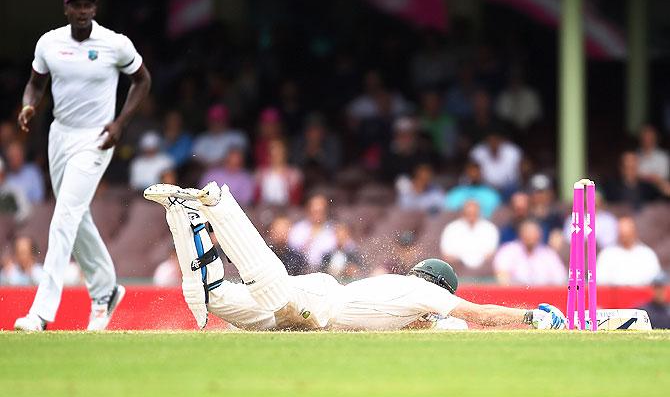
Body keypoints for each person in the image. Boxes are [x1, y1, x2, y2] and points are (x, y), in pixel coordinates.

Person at [142, 181, 567, 331]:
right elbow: (479, 315)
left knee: (215, 299)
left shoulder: (410, 302)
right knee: (267, 285)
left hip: (317, 302)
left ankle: (184, 216)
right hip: (318, 305)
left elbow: (436, 325)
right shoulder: (426, 295)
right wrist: (530, 317)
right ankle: (219, 206)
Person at [14, 0, 151, 331]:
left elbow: (142, 80)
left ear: (95, 8)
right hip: (60, 135)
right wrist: (29, 105)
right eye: (76, 5)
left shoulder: (114, 44)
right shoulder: (49, 43)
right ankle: (106, 290)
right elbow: (35, 83)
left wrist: (120, 123)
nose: (82, 10)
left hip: (96, 138)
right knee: (73, 216)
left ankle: (41, 313)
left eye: (88, 4)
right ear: (66, 10)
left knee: (63, 219)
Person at [493, 219, 566, 286]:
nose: (530, 236)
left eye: (533, 232)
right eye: (528, 232)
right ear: (520, 233)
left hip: (544, 296)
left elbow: (560, 279)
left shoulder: (548, 254)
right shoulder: (508, 251)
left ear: (540, 234)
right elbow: (502, 277)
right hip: (516, 296)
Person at [596, 216, 661, 286]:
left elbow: (656, 280)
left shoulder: (647, 254)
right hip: (615, 294)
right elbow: (600, 280)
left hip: (642, 294)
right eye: (622, 232)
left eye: (627, 233)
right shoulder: (607, 254)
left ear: (635, 232)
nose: (624, 235)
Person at [440, 200, 499, 273]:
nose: (471, 215)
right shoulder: (452, 228)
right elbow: (447, 254)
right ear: (463, 213)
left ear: (479, 212)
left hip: (484, 271)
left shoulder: (490, 228)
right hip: (457, 269)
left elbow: (491, 254)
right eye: (469, 213)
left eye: (474, 213)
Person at [288, 194, 337, 268]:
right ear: (308, 210)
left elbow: (348, 249)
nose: (317, 214)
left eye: (321, 210)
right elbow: (292, 252)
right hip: (302, 270)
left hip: (327, 269)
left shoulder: (334, 229)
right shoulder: (298, 229)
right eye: (314, 211)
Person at [0, 156, 32, 222]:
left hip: (12, 228)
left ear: (3, 173)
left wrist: (12, 220)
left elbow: (26, 210)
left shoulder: (14, 190)